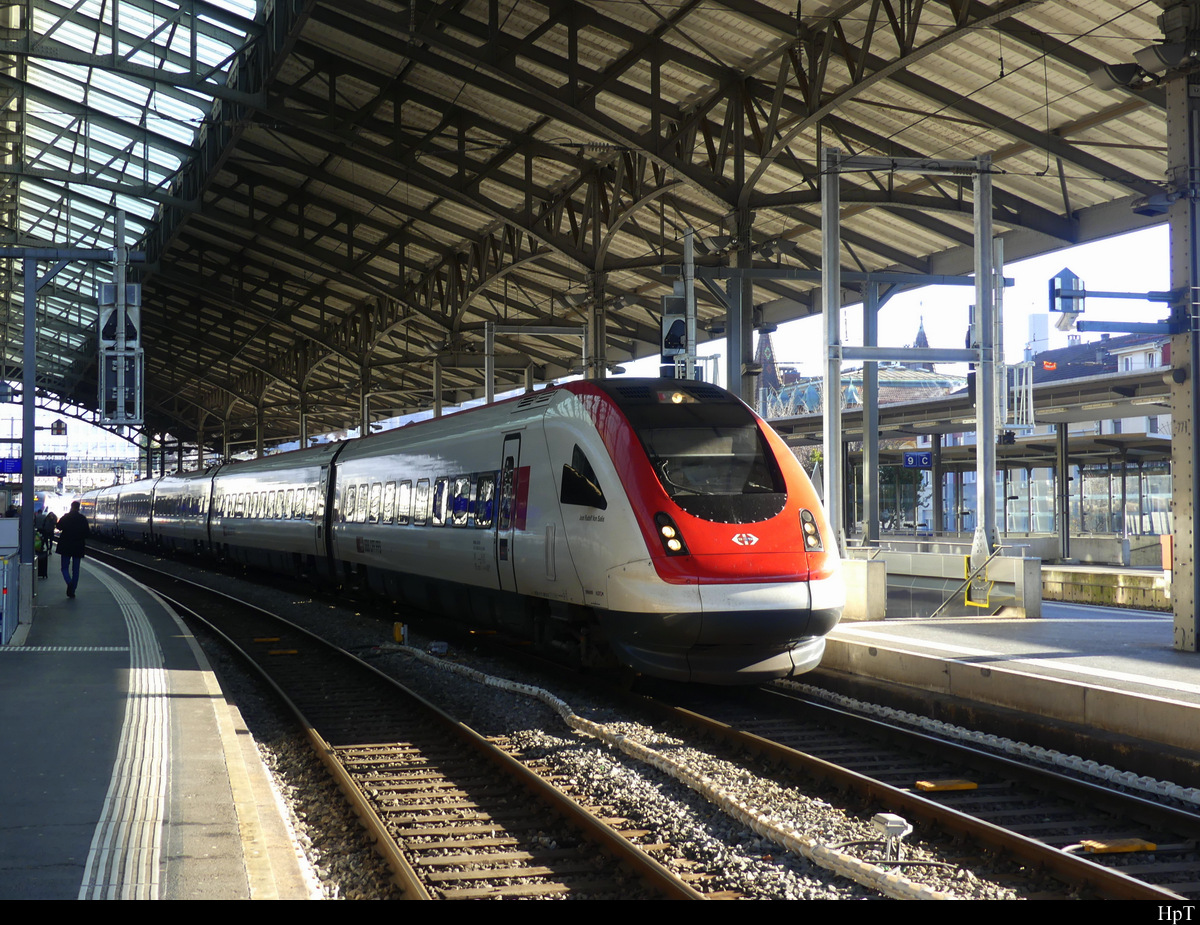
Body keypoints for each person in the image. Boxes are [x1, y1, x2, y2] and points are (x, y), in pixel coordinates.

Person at [56, 500, 88, 598]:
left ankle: (69, 583)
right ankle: (72, 590)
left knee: (64, 568)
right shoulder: (82, 519)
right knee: (76, 570)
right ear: (79, 508)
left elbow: (58, 526)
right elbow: (87, 532)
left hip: (66, 546)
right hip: (78, 546)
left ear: (71, 507)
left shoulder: (66, 517)